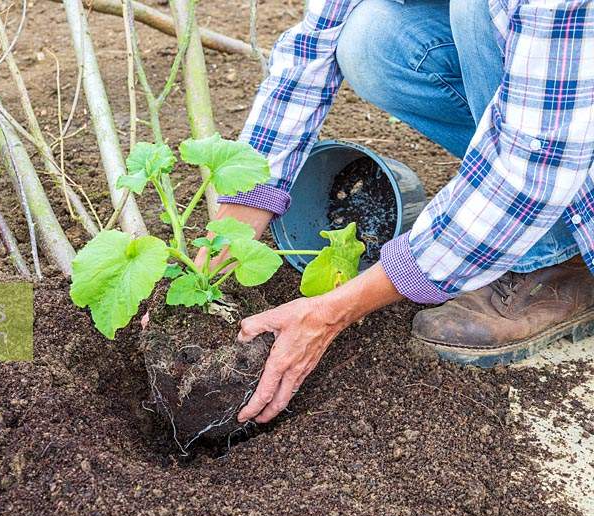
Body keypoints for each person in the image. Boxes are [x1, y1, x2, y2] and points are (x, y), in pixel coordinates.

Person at [201, 0, 594, 425]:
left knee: (475, 10)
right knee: (374, 39)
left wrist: (332, 312)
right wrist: (230, 232)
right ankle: (542, 234)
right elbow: (309, 53)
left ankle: (556, 258)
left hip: (565, 93)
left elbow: (535, 167)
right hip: (555, 97)